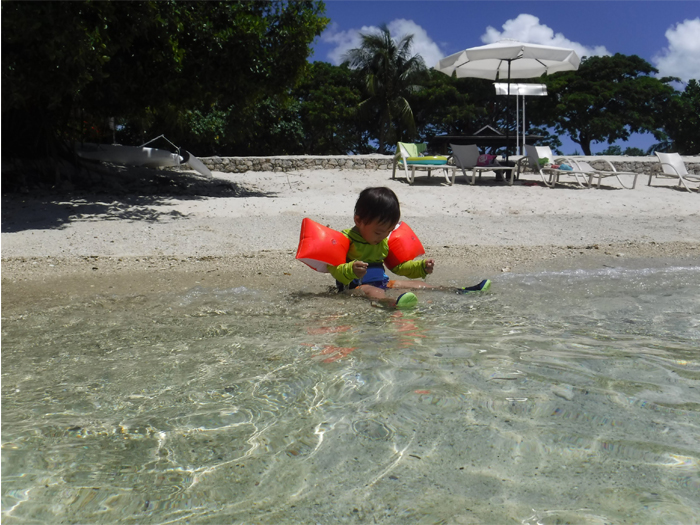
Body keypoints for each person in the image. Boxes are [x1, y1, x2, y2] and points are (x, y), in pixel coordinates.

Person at [327, 187, 490, 308]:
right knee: (374, 292)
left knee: (420, 285)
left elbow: (399, 267)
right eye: (378, 232)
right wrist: (351, 270)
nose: (383, 236)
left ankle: (460, 291)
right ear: (358, 221)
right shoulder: (345, 240)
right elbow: (334, 268)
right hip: (356, 287)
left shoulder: (382, 241)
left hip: (382, 282)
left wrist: (420, 267)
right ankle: (392, 304)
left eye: (388, 232)